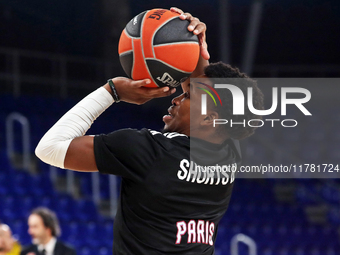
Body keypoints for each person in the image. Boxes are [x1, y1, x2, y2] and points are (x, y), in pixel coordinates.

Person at [35, 7, 264, 255]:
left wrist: (112, 91)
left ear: (209, 118)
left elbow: (49, 148)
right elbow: (205, 87)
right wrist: (191, 44)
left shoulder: (149, 151)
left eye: (187, 96)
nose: (177, 96)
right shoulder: (229, 151)